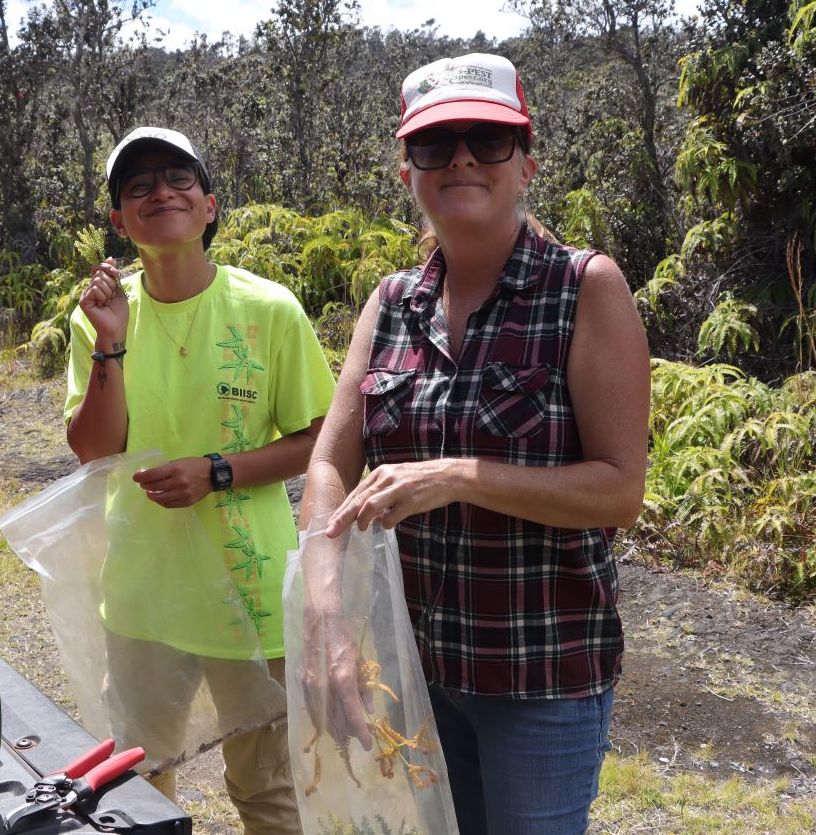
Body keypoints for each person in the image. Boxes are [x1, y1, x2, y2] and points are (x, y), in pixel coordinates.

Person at [300, 54, 649, 834]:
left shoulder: (584, 288)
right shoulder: (391, 303)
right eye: (435, 143)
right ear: (407, 173)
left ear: (526, 163)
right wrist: (324, 616)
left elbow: (620, 488)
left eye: (488, 140)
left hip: (542, 674)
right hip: (415, 670)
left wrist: (457, 474)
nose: (461, 156)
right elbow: (329, 461)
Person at [65, 125, 336, 835]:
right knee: (138, 784)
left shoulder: (269, 310)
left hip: (253, 591)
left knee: (267, 788)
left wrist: (220, 473)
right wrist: (111, 342)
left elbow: (320, 439)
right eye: (138, 185)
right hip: (143, 593)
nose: (161, 191)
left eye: (179, 178)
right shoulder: (97, 315)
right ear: (119, 220)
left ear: (210, 206)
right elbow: (95, 451)